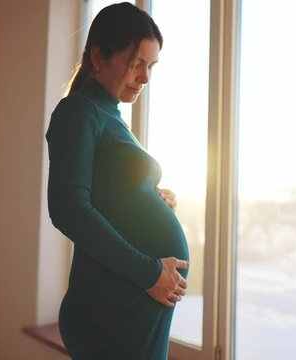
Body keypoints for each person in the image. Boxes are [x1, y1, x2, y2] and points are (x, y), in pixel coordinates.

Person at [45, 3, 190, 359]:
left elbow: (106, 193)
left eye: (151, 66)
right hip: (111, 308)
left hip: (128, 302)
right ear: (98, 57)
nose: (145, 78)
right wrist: (150, 272)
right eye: (137, 63)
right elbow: (68, 208)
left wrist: (150, 197)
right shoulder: (79, 111)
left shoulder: (109, 114)